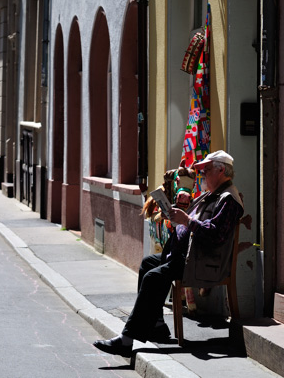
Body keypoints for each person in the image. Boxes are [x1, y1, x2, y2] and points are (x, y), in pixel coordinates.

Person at [93, 150, 244, 357]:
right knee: (148, 264)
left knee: (154, 277)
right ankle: (156, 326)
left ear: (220, 170)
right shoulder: (213, 195)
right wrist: (175, 216)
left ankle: (126, 340)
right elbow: (193, 223)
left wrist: (187, 221)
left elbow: (216, 235)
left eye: (206, 170)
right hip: (189, 256)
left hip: (203, 261)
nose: (202, 175)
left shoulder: (228, 199)